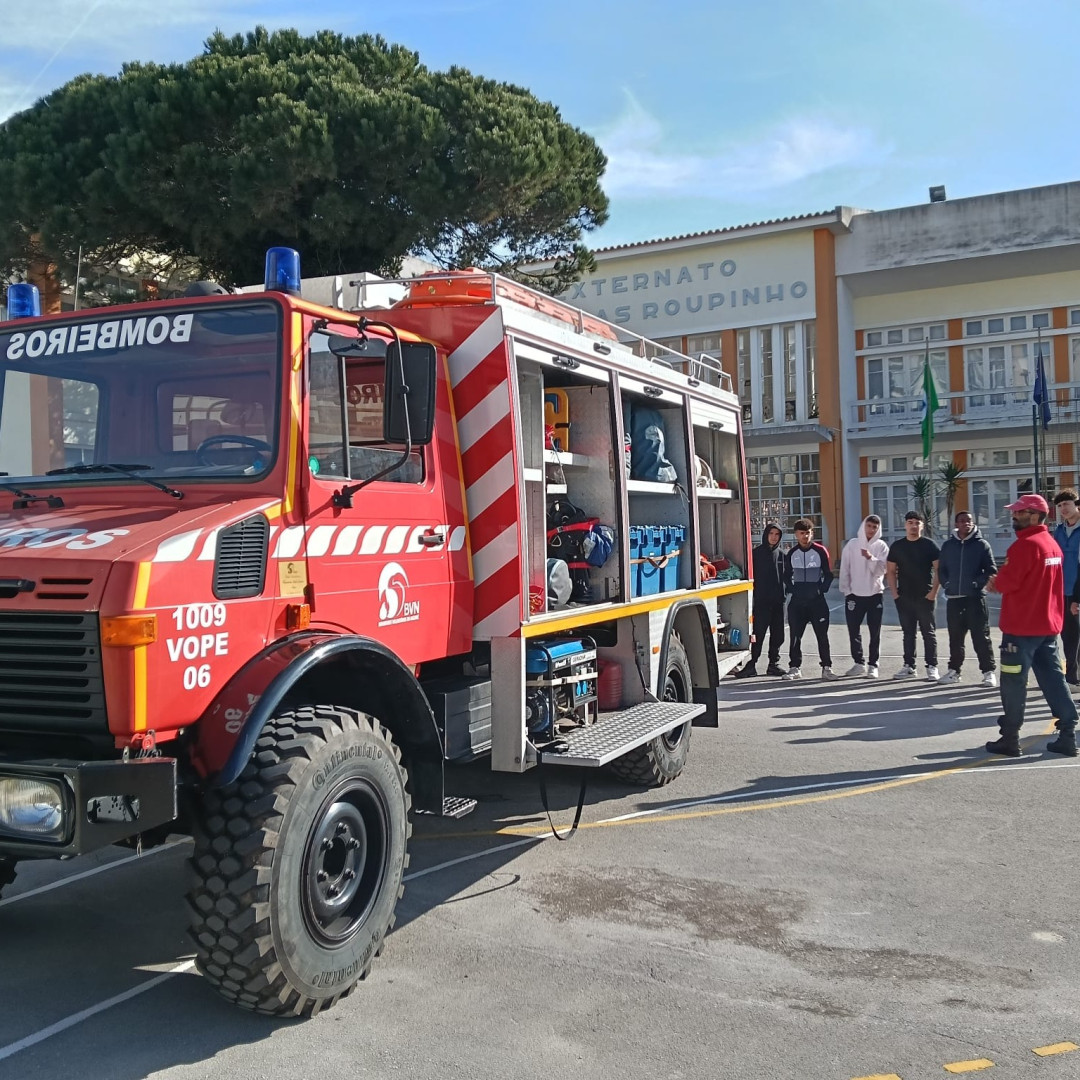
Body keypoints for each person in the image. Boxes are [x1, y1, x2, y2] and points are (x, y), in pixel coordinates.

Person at [985, 493, 1078, 757]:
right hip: (1047, 626)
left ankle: (1010, 737)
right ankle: (1068, 734)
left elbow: (1006, 583)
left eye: (1020, 512)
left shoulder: (1024, 546)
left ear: (1035, 515)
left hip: (1021, 628)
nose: (1014, 516)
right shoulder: (1051, 544)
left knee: (1014, 682)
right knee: (1054, 679)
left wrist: (996, 582)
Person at [937, 511, 998, 686]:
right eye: (962, 521)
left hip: (975, 599)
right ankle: (954, 671)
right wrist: (946, 584)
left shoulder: (982, 545)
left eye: (969, 521)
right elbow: (942, 569)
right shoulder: (949, 545)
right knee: (955, 638)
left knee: (981, 636)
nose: (966, 523)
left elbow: (991, 569)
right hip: (954, 599)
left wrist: (976, 584)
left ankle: (988, 672)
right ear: (957, 523)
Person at [886, 510, 941, 681]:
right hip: (904, 597)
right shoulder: (897, 546)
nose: (913, 526)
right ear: (905, 525)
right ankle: (909, 666)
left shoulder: (930, 545)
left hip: (925, 596)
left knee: (928, 632)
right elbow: (890, 571)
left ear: (922, 526)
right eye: (910, 522)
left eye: (917, 523)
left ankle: (932, 666)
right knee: (908, 633)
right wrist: (895, 594)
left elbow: (939, 569)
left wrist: (933, 592)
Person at [782, 518, 839, 681]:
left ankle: (827, 667)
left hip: (817, 601)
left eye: (808, 533)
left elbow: (828, 574)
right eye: (802, 533)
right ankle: (794, 668)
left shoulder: (820, 551)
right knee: (795, 636)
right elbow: (786, 576)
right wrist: (794, 590)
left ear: (812, 533)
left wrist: (821, 590)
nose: (805, 536)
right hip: (798, 602)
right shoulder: (792, 553)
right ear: (796, 535)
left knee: (822, 635)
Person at [838, 514, 890, 678]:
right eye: (869, 526)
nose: (871, 530)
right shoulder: (852, 545)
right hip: (854, 595)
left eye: (875, 527)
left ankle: (873, 664)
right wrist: (847, 591)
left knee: (875, 631)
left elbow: (882, 570)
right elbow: (844, 569)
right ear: (863, 526)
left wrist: (870, 558)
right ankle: (858, 663)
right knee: (854, 630)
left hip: (874, 594)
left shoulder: (881, 546)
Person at [735, 523, 786, 677]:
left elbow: (787, 577)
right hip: (761, 602)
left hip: (778, 603)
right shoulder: (756, 554)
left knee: (778, 635)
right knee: (758, 635)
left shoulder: (783, 556)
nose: (774, 537)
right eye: (771, 533)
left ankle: (773, 664)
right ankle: (752, 665)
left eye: (777, 534)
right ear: (766, 535)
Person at [1051, 489, 1080, 685]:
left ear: (1076, 504)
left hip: (1077, 591)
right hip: (1062, 590)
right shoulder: (1059, 531)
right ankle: (1071, 678)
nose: (1063, 508)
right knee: (1068, 636)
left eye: (1066, 504)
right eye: (1060, 505)